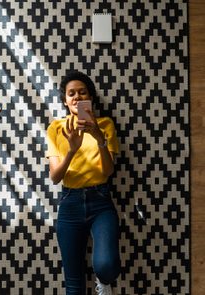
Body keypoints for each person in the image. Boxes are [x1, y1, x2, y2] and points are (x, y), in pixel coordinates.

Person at [46, 71, 121, 295]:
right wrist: (71, 150)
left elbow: (107, 171)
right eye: (71, 94)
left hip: (101, 202)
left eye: (82, 92)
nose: (77, 97)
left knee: (106, 265)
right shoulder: (56, 128)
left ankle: (104, 283)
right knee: (74, 284)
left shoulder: (105, 125)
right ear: (65, 100)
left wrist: (99, 138)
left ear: (90, 97)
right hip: (70, 204)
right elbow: (55, 177)